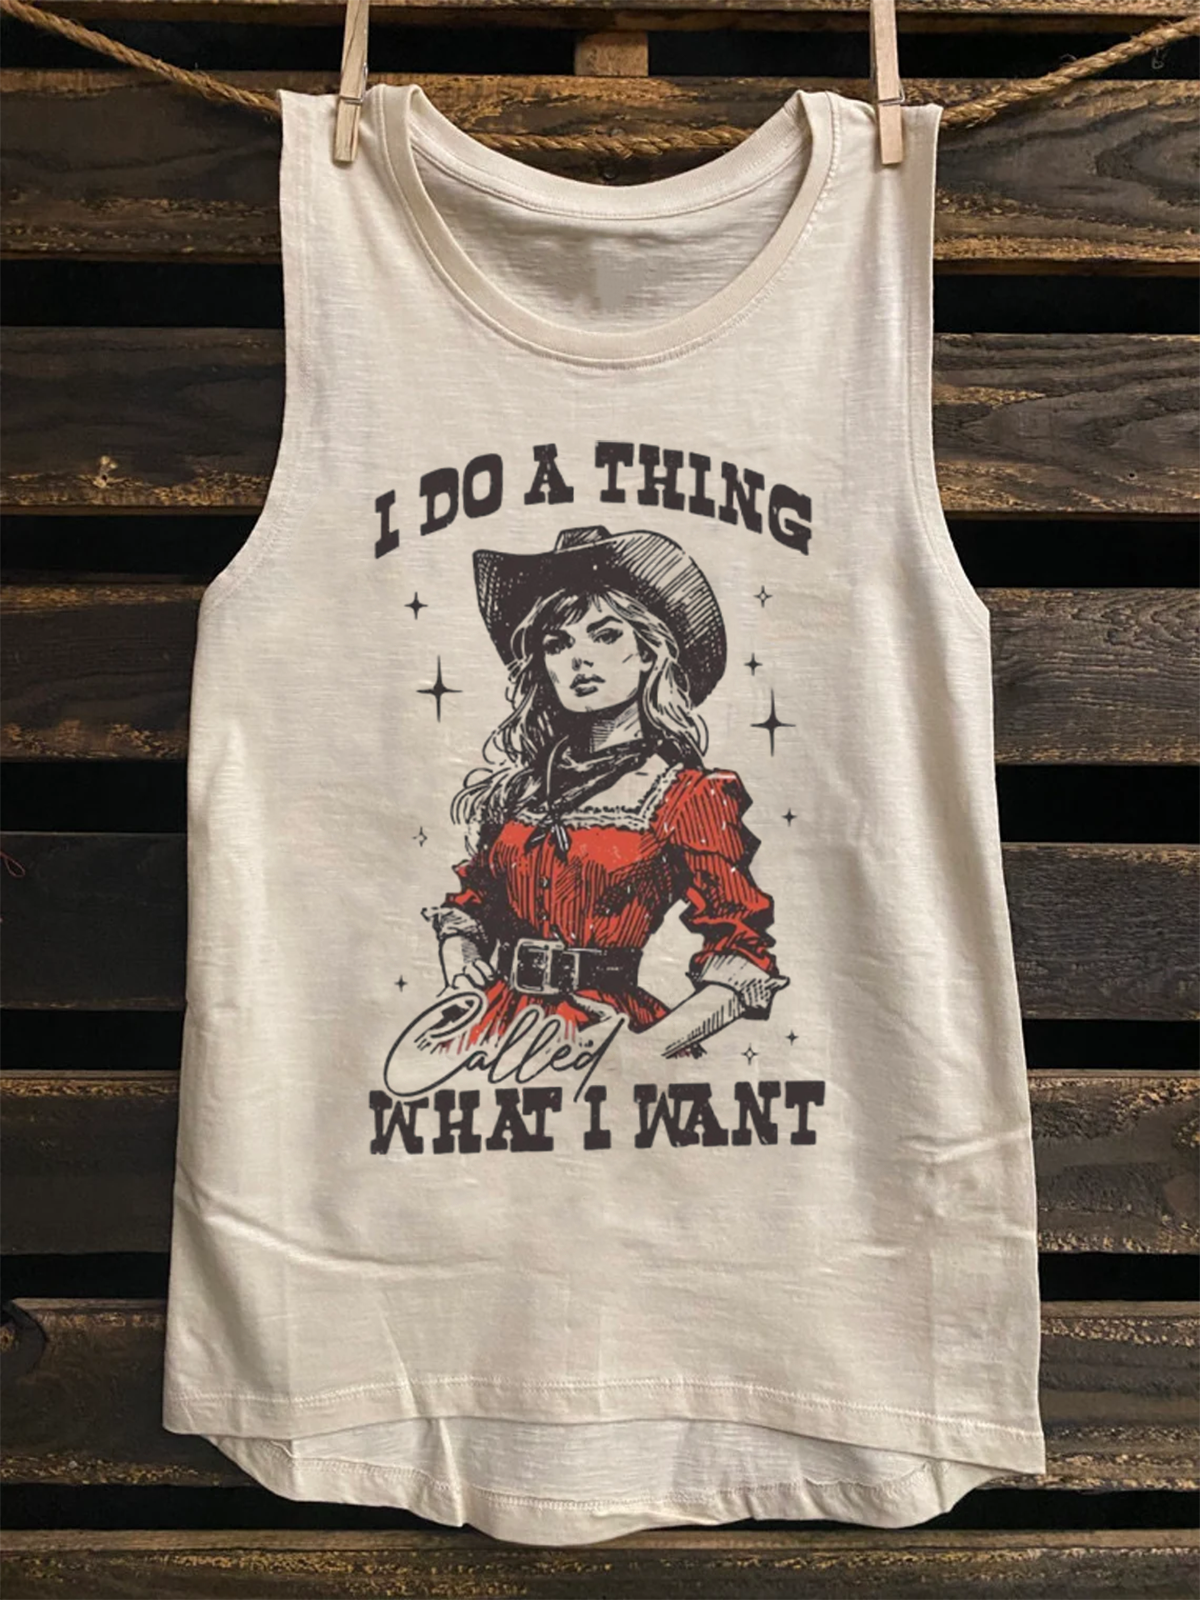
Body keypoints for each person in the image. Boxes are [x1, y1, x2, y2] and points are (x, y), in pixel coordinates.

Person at [422, 524, 788, 1059]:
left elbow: (742, 947)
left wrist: (652, 1049)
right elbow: (471, 908)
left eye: (605, 635)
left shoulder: (687, 796)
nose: (579, 660)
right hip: (494, 1029)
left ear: (649, 652)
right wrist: (462, 964)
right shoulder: (523, 791)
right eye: (557, 644)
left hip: (610, 1037)